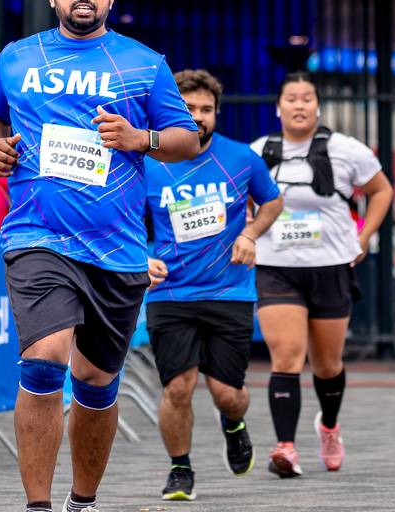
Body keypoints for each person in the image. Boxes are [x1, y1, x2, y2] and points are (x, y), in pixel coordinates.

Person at [0, 0, 199, 512]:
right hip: (37, 236)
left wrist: (138, 139)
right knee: (44, 359)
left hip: (117, 249)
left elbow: (186, 139)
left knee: (96, 383)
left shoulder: (144, 63)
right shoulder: (18, 58)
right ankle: (38, 507)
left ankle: (83, 501)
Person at [144, 69, 283, 501]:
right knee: (178, 387)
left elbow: (273, 201)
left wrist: (249, 234)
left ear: (217, 114)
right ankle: (180, 469)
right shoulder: (147, 166)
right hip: (171, 293)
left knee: (227, 394)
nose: (198, 117)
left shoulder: (241, 158)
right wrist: (141, 257)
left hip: (229, 292)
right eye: (188, 109)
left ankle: (235, 425)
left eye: (206, 109)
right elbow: (123, 220)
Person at [250, 71, 393, 477]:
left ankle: (329, 426)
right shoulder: (259, 151)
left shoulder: (348, 150)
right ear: (278, 107)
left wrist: (364, 237)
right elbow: (239, 198)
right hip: (277, 268)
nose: (299, 105)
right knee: (287, 357)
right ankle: (285, 448)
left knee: (327, 365)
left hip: (330, 267)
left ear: (317, 106)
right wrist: (248, 231)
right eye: (291, 98)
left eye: (307, 98)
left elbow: (382, 190)